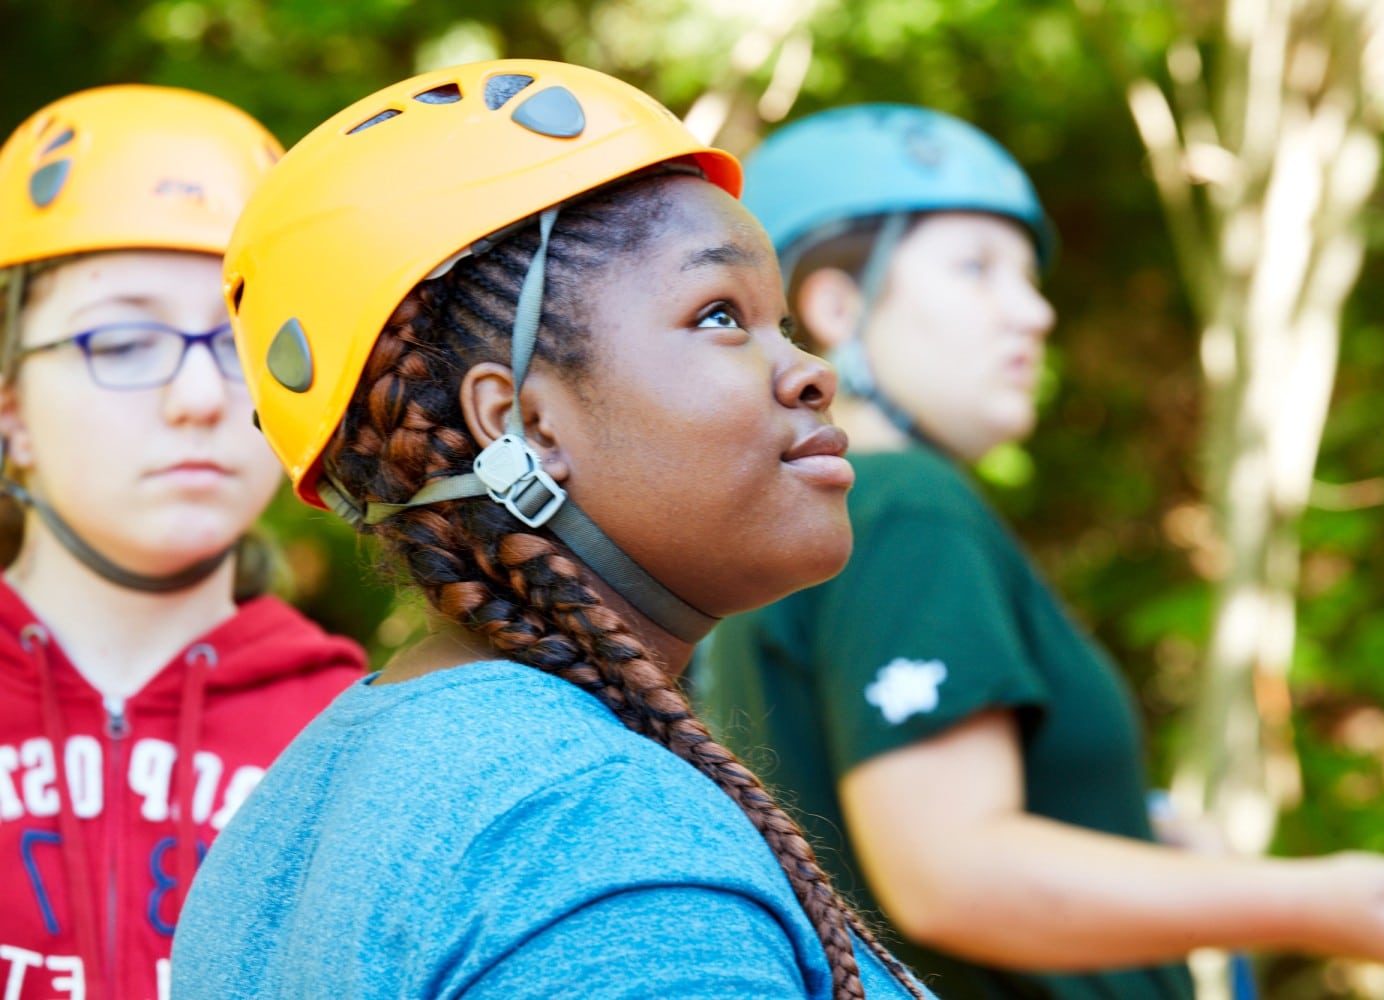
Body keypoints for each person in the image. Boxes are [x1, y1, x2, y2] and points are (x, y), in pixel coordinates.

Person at [170, 59, 934, 1000]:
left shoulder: (293, 818)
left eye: (782, 323)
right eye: (721, 315)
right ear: (521, 426)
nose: (812, 372)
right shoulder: (601, 839)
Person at [694, 103, 1384, 1000]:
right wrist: (1310, 901)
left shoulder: (784, 543)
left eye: (1030, 281)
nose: (1034, 313)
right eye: (976, 269)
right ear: (839, 305)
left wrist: (1131, 836)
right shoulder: (906, 504)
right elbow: (953, 876)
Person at [0, 85, 368, 1000]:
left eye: (240, 345)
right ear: (11, 408)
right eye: (123, 342)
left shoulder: (350, 732)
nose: (201, 397)